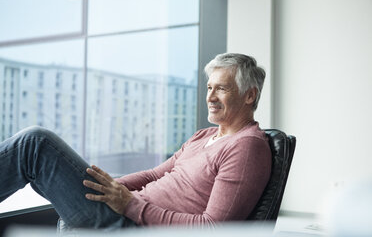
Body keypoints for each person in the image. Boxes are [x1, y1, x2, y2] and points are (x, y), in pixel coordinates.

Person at [0, 53, 271, 230]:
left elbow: (213, 228)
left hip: (133, 226)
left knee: (34, 145)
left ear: (250, 96)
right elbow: (154, 174)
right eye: (209, 87)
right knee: (35, 150)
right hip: (123, 211)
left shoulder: (247, 147)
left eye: (221, 88)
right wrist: (109, 187)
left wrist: (128, 205)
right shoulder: (204, 136)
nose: (210, 96)